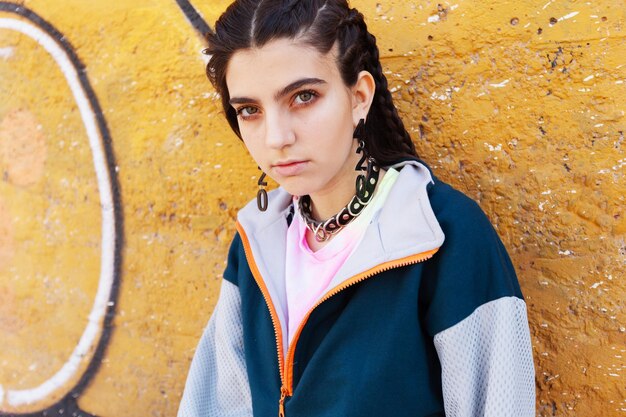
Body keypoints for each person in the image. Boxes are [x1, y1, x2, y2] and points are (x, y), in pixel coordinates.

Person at [178, 1, 536, 416]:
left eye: (303, 97)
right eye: (249, 110)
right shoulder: (255, 240)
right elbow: (219, 405)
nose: (276, 137)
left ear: (359, 96)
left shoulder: (443, 234)